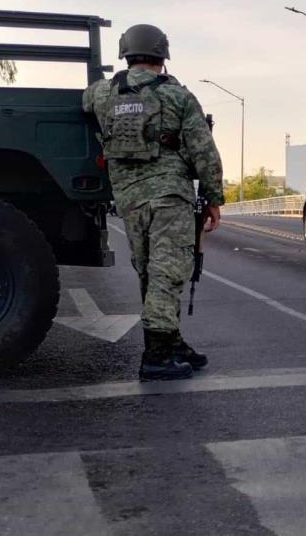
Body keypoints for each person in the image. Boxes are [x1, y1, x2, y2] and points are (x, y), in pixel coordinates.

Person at [83, 24, 224, 381]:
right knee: (168, 270)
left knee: (150, 270)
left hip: (129, 201)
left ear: (126, 54)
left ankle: (172, 342)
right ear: (162, 56)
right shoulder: (177, 96)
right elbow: (203, 151)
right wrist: (213, 197)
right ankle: (157, 356)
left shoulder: (105, 93)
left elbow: (85, 99)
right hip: (169, 197)